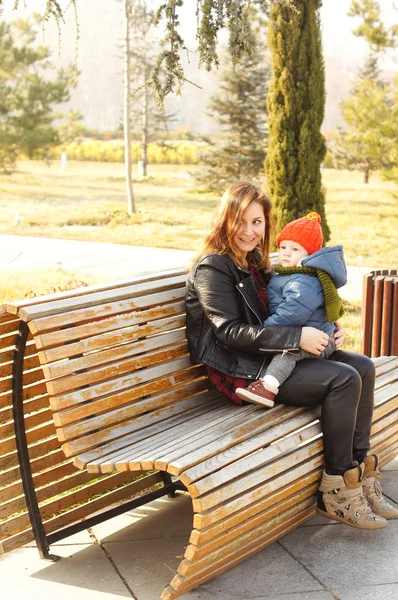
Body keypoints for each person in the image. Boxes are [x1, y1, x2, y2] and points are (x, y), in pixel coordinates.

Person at [185, 180, 398, 530]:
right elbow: (229, 332)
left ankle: (358, 476)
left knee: (361, 366)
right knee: (342, 379)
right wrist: (299, 336)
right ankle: (336, 488)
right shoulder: (213, 268)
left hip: (272, 357)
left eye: (257, 222)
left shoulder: (256, 261)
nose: (249, 231)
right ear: (225, 220)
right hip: (242, 371)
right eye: (241, 221)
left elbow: (293, 305)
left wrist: (327, 331)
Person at [235, 212, 347, 407]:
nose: (286, 252)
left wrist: (266, 330)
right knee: (289, 347)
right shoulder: (291, 273)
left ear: (309, 256)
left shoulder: (304, 281)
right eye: (283, 247)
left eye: (295, 249)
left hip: (319, 341)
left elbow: (291, 314)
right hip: (315, 334)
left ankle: (267, 388)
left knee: (288, 352)